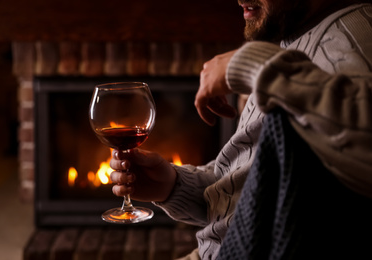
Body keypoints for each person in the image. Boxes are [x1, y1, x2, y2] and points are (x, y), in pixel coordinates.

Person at [110, 0, 372, 259]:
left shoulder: (351, 36)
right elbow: (253, 192)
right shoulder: (295, 38)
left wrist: (253, 64)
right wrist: (173, 186)